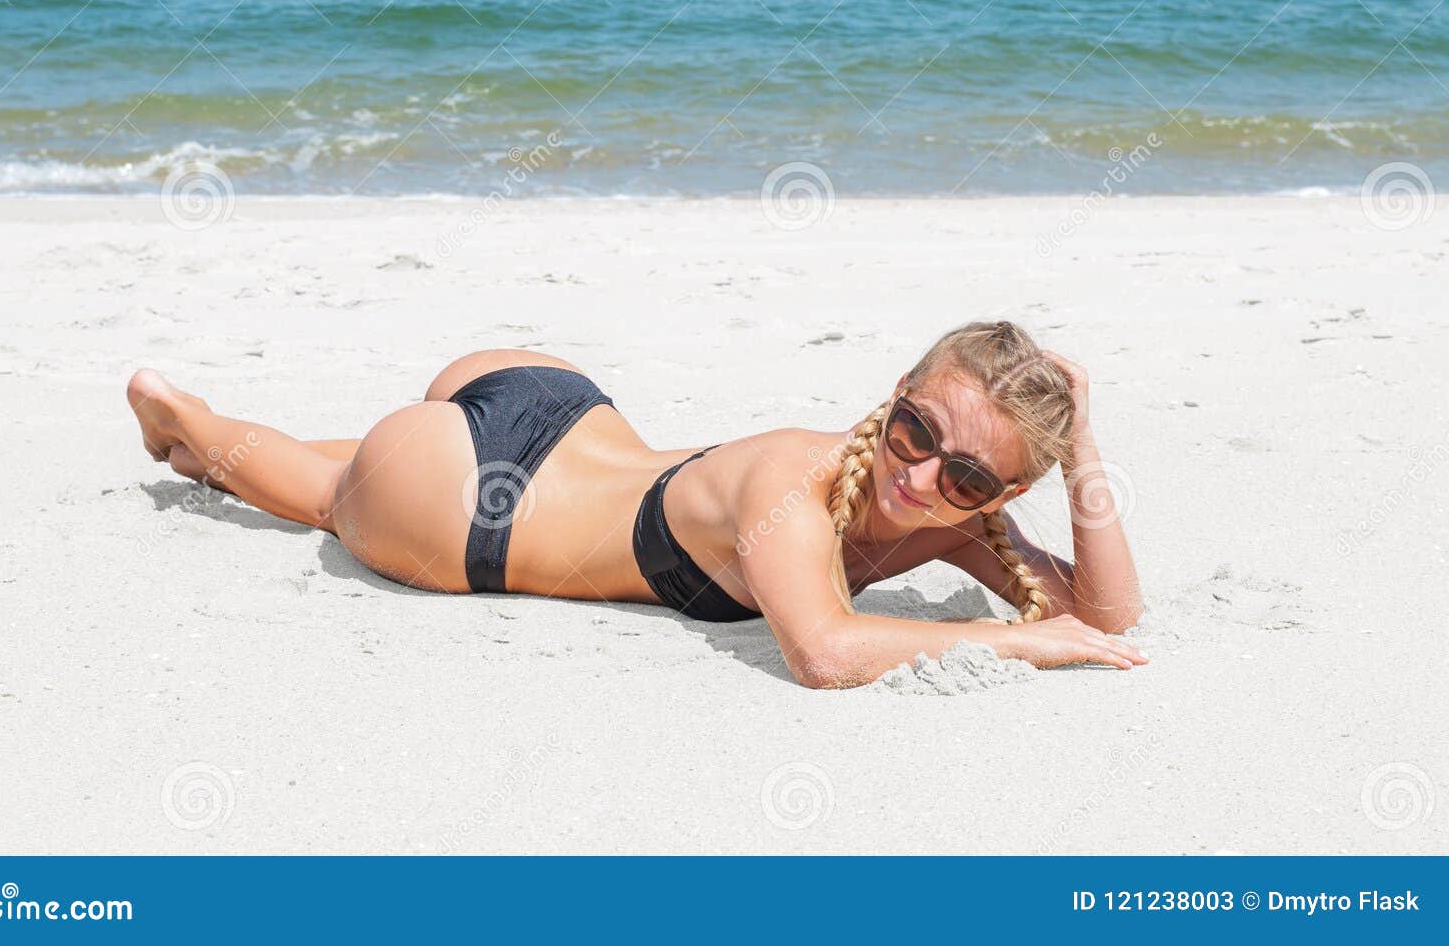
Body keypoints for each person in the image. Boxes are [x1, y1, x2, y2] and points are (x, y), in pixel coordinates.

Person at [127, 319, 1147, 687]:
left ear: (1005, 490)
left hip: (551, 405)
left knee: (338, 464)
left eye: (964, 477)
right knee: (316, 494)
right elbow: (826, 651)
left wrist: (1083, 445)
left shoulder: (956, 526)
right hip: (477, 507)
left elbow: (1102, 617)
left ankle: (222, 428)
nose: (918, 479)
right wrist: (1012, 645)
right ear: (893, 399)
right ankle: (193, 421)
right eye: (914, 431)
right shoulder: (792, 483)